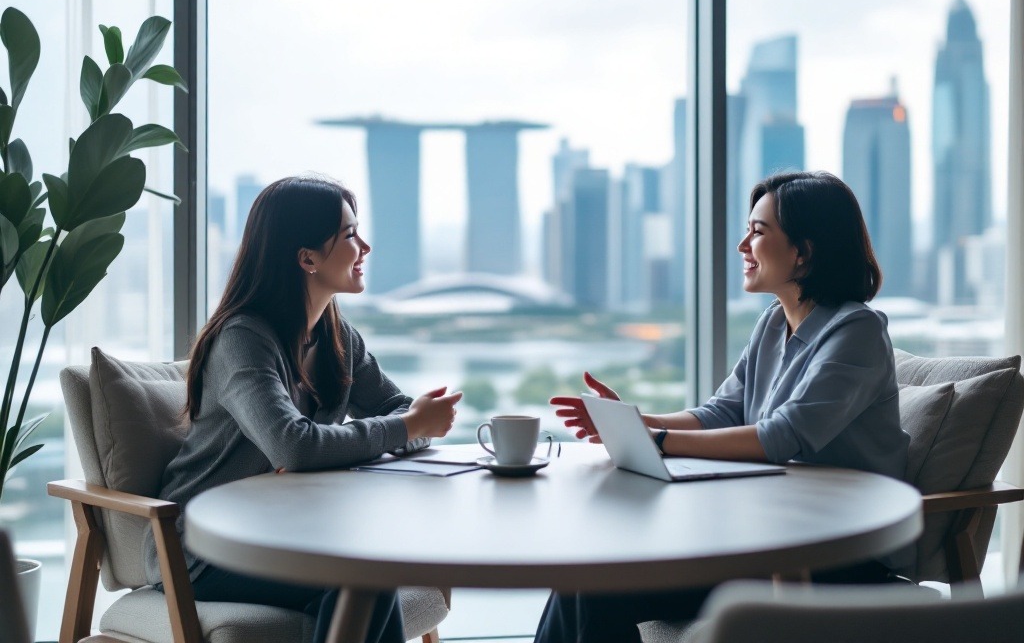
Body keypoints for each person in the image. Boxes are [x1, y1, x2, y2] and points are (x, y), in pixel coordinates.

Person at [535, 170, 910, 643]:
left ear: (804, 251)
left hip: (836, 553)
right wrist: (633, 421)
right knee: (587, 575)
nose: (742, 246)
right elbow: (722, 412)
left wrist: (659, 441)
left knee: (599, 584)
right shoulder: (775, 323)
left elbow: (781, 437)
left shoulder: (858, 331)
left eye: (757, 232)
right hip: (763, 537)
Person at [142, 175, 462, 643]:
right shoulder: (243, 339)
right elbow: (293, 446)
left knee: (368, 573)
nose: (365, 246)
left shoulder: (338, 336)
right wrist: (405, 426)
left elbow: (400, 411)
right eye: (350, 235)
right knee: (364, 579)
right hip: (203, 547)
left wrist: (408, 425)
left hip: (292, 531)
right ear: (307, 258)